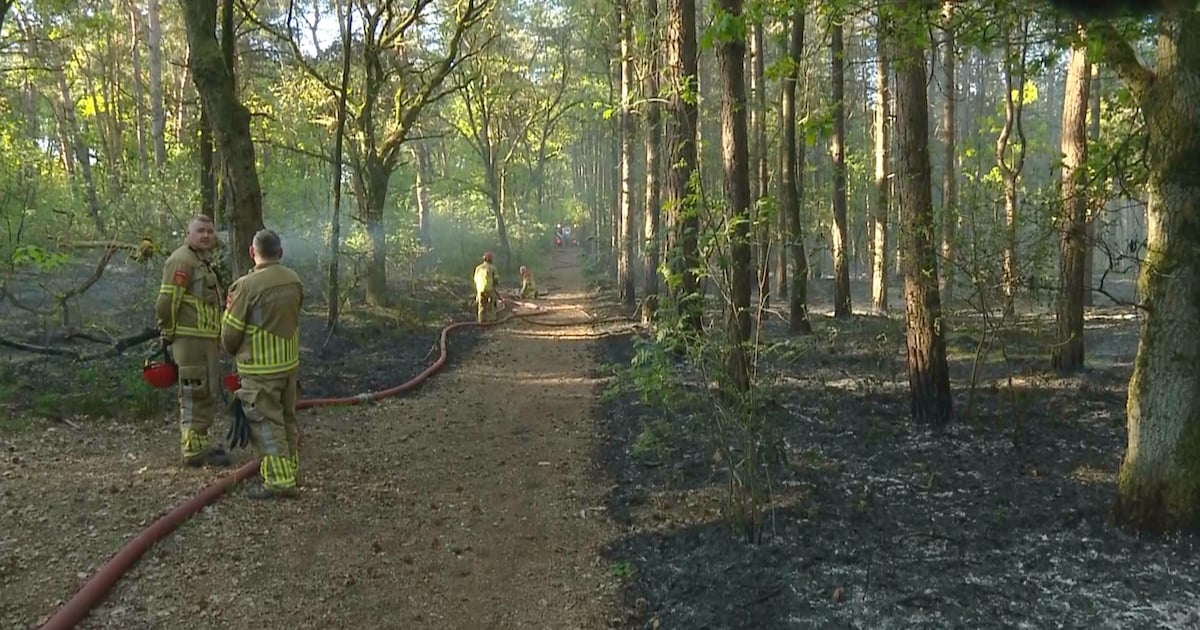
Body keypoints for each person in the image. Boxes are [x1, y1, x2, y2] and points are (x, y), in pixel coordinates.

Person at [221, 229, 305, 500]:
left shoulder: (245, 286)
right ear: (280, 252)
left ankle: (279, 482)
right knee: (287, 420)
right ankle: (289, 471)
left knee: (267, 425)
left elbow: (230, 335)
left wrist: (232, 350)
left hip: (259, 370)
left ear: (251, 252)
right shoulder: (294, 280)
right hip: (289, 366)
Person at [156, 214, 230, 468]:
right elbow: (166, 302)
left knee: (206, 392)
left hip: (205, 341)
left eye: (210, 231)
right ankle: (192, 450)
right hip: (190, 341)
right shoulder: (182, 260)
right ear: (188, 233)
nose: (206, 235)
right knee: (194, 393)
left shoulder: (201, 262)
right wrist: (168, 331)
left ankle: (199, 444)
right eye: (200, 231)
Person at [473, 251, 504, 322]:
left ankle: (481, 319)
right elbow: (496, 279)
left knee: (481, 305)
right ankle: (491, 319)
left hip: (480, 289)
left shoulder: (478, 268)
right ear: (491, 259)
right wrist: (494, 286)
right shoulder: (492, 268)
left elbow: (475, 279)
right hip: (489, 289)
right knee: (491, 304)